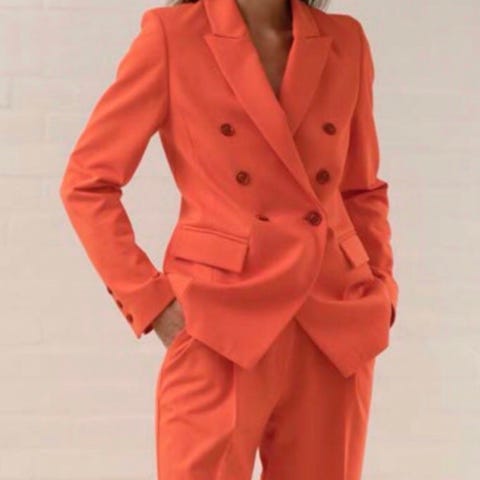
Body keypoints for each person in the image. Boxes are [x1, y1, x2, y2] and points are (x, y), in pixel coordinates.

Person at [59, 0, 399, 478]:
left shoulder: (346, 41)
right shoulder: (173, 36)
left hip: (332, 321)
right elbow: (87, 183)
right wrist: (152, 302)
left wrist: (381, 290)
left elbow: (361, 189)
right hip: (220, 319)